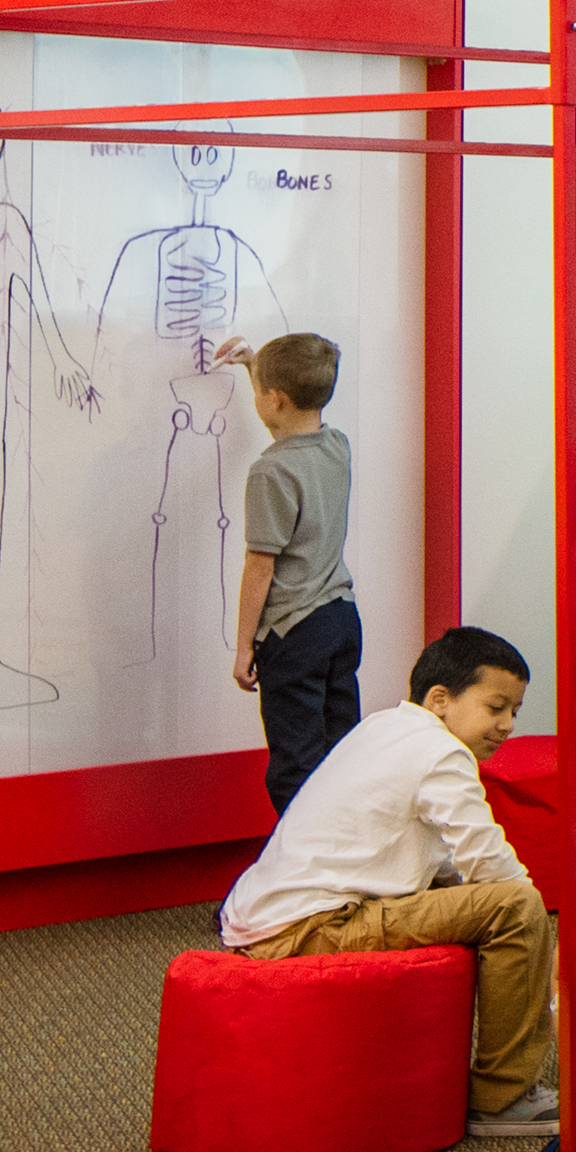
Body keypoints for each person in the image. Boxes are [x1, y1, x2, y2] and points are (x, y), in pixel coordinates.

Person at [221, 625, 560, 1136]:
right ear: (440, 699)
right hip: (313, 926)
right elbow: (488, 864)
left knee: (490, 898)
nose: (508, 724)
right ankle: (503, 1097)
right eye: (496, 707)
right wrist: (542, 943)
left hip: (268, 920)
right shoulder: (443, 754)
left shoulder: (383, 728)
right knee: (517, 907)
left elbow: (446, 862)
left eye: (514, 711)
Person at [233, 331, 366, 814]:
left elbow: (260, 567)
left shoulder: (270, 472)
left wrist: (245, 645)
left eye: (258, 392)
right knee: (338, 754)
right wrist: (255, 367)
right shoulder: (337, 446)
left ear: (275, 398)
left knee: (296, 766)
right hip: (340, 621)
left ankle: (304, 871)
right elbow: (296, 415)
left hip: (293, 632)